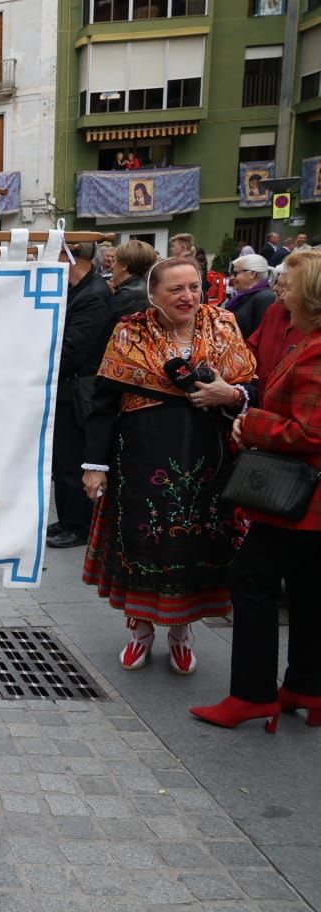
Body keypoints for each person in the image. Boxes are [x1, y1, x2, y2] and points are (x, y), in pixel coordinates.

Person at [81, 257, 256, 674]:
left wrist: (229, 396)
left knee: (197, 547)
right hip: (141, 461)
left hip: (209, 464)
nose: (188, 296)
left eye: (194, 287)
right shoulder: (130, 331)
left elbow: (251, 388)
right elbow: (103, 404)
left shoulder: (223, 325)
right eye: (176, 289)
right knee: (144, 546)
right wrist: (94, 465)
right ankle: (141, 629)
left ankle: (181, 632)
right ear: (153, 294)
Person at [191, 250, 321, 731]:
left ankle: (253, 694)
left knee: (250, 581)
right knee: (309, 589)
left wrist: (252, 421)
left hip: (301, 496)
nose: (279, 289)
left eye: (289, 284)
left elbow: (309, 431)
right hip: (305, 497)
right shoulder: (294, 330)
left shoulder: (317, 346)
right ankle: (306, 686)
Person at [49, 242, 116, 550]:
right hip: (68, 388)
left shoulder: (95, 295)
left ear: (71, 256)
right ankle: (67, 518)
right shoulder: (77, 290)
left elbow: (74, 349)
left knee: (74, 458)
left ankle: (79, 525)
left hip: (80, 390)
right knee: (63, 459)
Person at [248, 258, 310, 384]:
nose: (275, 288)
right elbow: (252, 347)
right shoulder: (275, 310)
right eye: (276, 282)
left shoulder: (311, 323)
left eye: (283, 285)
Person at [224, 253, 275, 339]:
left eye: (235, 273)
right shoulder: (245, 296)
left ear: (252, 274)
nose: (232, 278)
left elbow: (260, 337)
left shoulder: (265, 298)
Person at [108, 239, 156, 320]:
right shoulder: (145, 287)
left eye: (114, 261)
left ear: (124, 266)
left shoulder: (127, 295)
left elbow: (111, 328)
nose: (112, 267)